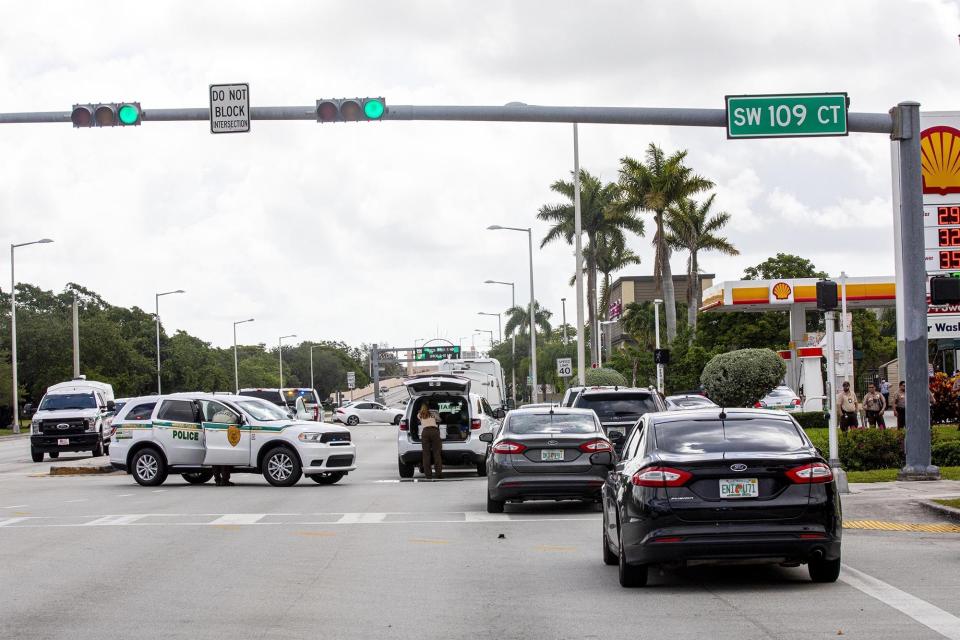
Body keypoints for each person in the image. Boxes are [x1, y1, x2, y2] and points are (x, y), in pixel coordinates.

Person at [417, 403, 443, 480]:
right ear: (429, 407)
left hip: (425, 432)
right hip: (434, 431)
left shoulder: (419, 414)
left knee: (426, 454)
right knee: (437, 453)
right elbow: (439, 420)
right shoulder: (433, 413)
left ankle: (428, 475)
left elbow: (419, 419)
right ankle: (439, 474)